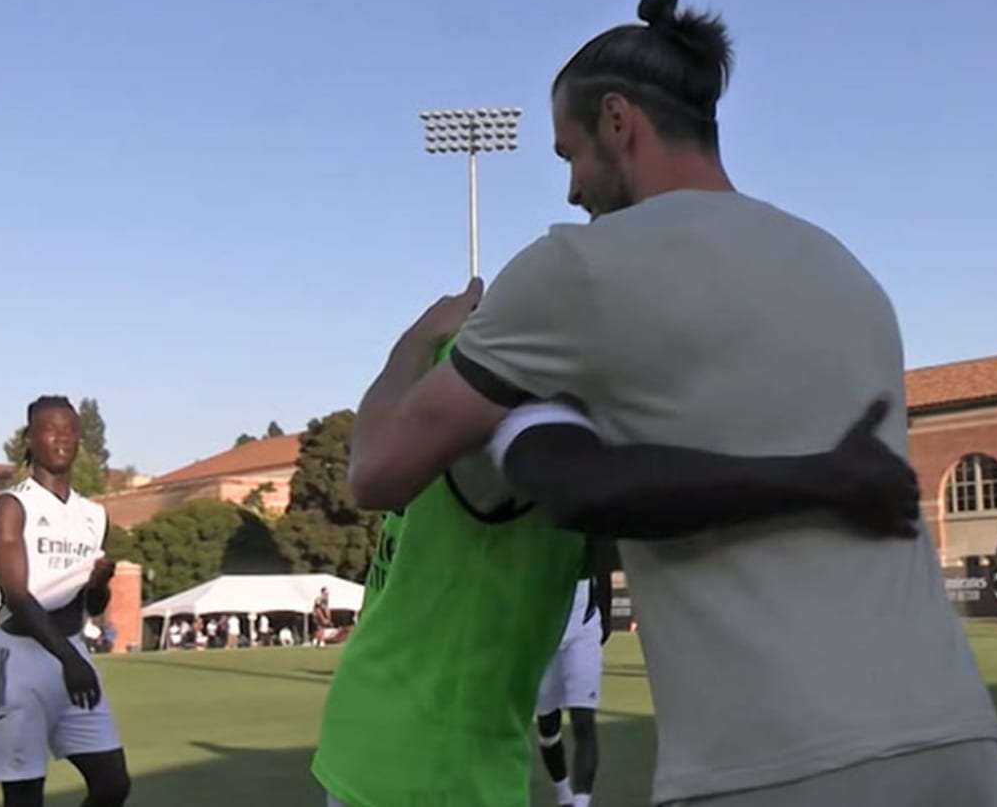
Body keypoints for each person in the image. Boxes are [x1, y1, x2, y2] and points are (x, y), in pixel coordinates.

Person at [343, 0, 997, 807]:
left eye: (569, 155)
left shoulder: (579, 267)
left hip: (774, 761)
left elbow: (376, 476)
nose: (571, 190)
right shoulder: (843, 270)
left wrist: (413, 342)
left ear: (618, 121)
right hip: (956, 736)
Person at [317, 330, 919, 807]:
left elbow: (620, 530)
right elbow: (594, 492)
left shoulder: (434, 402)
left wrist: (412, 342)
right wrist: (815, 479)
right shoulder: (515, 388)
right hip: (431, 767)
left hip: (372, 735)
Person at [0, 395, 130, 807]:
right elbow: (18, 597)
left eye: (70, 430)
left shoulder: (94, 514)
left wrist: (99, 583)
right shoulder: (12, 506)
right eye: (50, 429)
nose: (62, 438)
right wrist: (71, 659)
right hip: (19, 660)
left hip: (71, 651)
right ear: (30, 438)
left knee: (113, 784)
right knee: (25, 795)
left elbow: (92, 605)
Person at [535, 567, 611, 807]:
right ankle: (563, 795)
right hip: (543, 635)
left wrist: (605, 619)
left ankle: (580, 803)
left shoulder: (587, 532)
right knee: (547, 727)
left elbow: (602, 565)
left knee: (584, 721)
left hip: (584, 628)